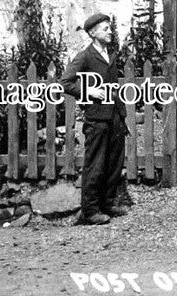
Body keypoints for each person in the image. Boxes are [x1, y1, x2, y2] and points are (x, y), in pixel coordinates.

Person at [60, 12, 129, 225]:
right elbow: (65, 82)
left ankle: (107, 203)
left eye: (110, 28)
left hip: (115, 116)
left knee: (114, 162)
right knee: (96, 164)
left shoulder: (111, 54)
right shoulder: (85, 56)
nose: (110, 32)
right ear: (92, 32)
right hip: (97, 118)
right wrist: (88, 91)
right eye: (105, 29)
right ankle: (90, 211)